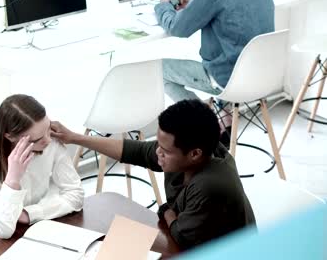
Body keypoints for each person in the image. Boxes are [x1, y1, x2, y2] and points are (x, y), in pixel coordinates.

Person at [50, 99, 255, 250]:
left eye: (165, 150)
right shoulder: (193, 152)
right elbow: (133, 150)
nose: (158, 152)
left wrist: (167, 211)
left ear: (194, 154)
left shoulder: (210, 184)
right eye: (158, 144)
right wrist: (74, 138)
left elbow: (181, 235)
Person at [155, 0, 275, 143]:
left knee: (159, 70)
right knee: (226, 50)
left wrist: (163, 5)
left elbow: (177, 28)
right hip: (262, 74)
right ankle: (225, 123)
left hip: (230, 79)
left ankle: (207, 122)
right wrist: (195, 3)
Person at [0, 94, 84, 239]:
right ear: (10, 137)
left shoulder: (51, 141)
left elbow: (75, 195)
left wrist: (31, 214)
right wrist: (12, 179)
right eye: (38, 139)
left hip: (30, 226)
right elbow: (2, 230)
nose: (48, 140)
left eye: (48, 129)